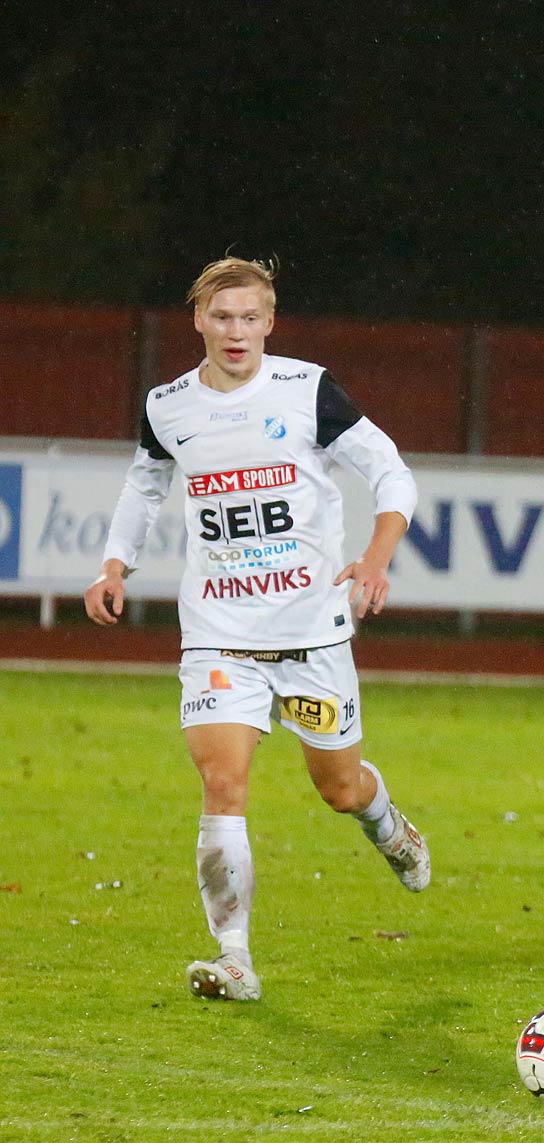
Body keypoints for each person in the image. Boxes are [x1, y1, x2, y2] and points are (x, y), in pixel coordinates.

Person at [85, 256, 429, 1002]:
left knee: (338, 789)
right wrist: (116, 566)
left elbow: (392, 472)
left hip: (310, 635)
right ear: (198, 322)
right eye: (221, 317)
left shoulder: (307, 390)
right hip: (219, 632)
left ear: (269, 323)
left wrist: (375, 555)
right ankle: (234, 958)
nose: (235, 331)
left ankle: (385, 821)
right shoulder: (169, 405)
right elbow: (144, 485)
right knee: (222, 781)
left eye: (249, 318)